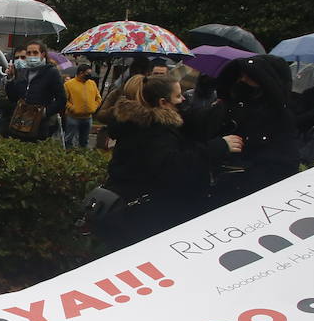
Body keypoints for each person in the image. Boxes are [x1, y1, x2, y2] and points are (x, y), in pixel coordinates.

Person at [99, 75, 242, 249]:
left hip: (132, 212)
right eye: (178, 96)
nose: (183, 99)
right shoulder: (154, 131)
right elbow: (172, 166)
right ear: (163, 103)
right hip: (145, 218)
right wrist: (217, 147)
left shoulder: (137, 122)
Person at [202, 54, 300, 207]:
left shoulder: (279, 116)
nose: (243, 81)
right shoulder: (229, 106)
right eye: (241, 76)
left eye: (250, 78)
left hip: (257, 196)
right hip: (221, 190)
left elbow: (285, 162)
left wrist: (245, 174)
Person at [5, 40, 67, 141]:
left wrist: (45, 112)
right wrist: (10, 79)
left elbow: (62, 99)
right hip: (21, 123)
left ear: (42, 54)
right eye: (29, 53)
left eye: (35, 52)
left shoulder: (51, 72)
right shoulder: (23, 72)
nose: (31, 55)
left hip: (40, 126)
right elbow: (13, 97)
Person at [63, 64, 102, 148]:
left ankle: (83, 156)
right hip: (73, 117)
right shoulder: (69, 84)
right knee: (69, 139)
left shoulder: (92, 83)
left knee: (84, 141)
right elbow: (64, 100)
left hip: (88, 118)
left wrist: (93, 107)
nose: (89, 75)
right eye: (87, 73)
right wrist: (73, 108)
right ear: (81, 73)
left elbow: (98, 98)